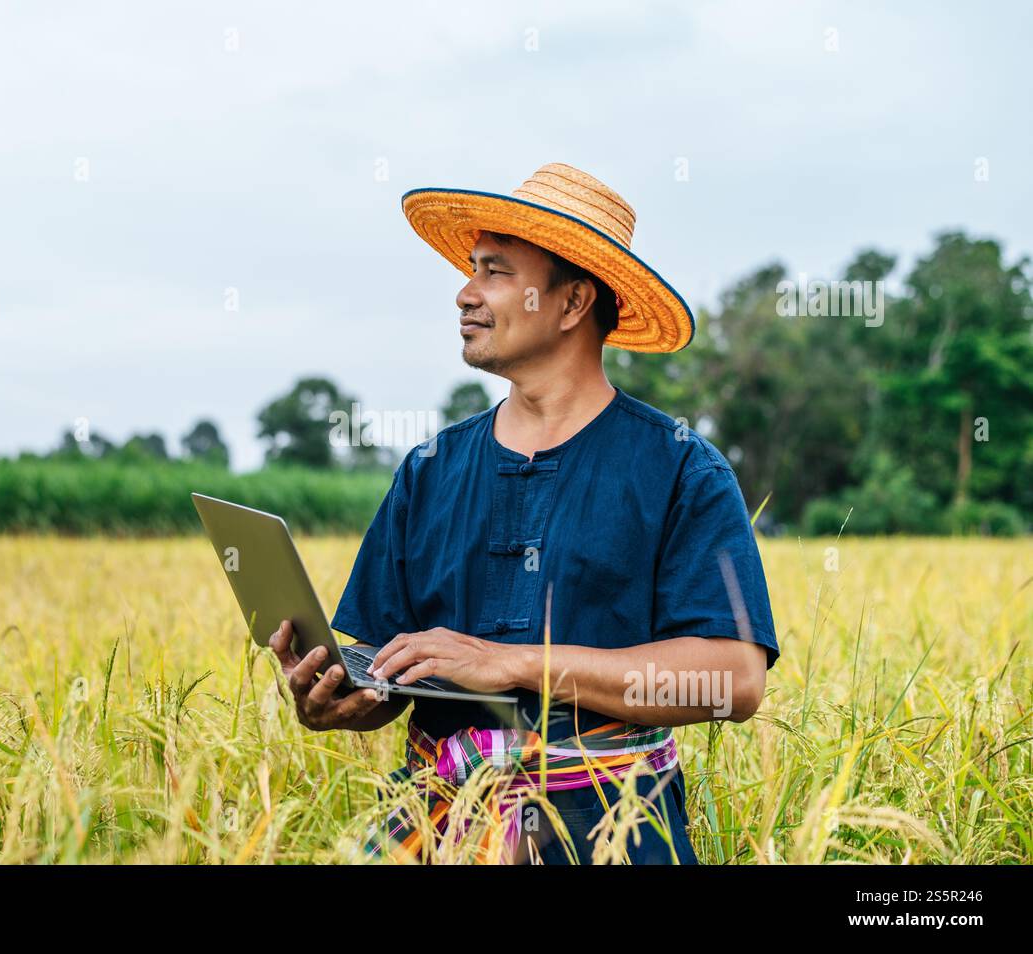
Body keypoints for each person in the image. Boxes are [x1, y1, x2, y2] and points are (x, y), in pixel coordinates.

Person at [268, 163, 780, 864]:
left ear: (571, 303)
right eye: (472, 269)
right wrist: (343, 699)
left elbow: (734, 680)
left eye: (495, 272)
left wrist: (513, 664)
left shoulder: (681, 469)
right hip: (433, 826)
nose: (465, 293)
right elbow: (393, 667)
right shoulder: (429, 471)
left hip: (614, 833)